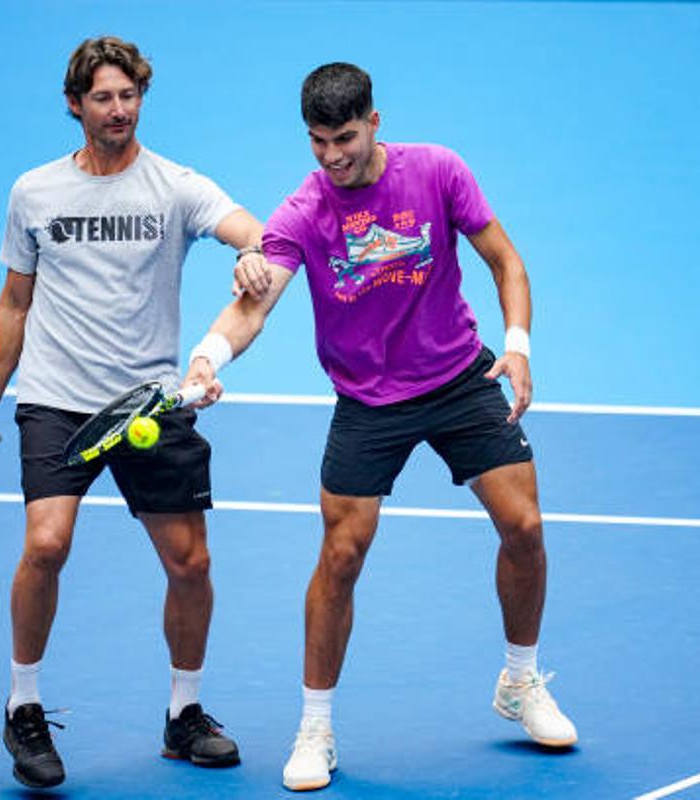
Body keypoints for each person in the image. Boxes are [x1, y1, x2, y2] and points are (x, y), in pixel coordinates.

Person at [182, 62, 577, 792]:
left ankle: (520, 682)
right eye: (317, 142)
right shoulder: (303, 211)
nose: (332, 156)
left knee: (524, 527)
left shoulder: (438, 171)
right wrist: (208, 357)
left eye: (344, 138)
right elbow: (254, 302)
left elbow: (505, 259)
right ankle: (315, 726)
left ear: (375, 122)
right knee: (342, 554)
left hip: (460, 377)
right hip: (367, 400)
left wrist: (517, 345)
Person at [0, 35, 263, 790]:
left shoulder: (175, 186)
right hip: (58, 401)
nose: (118, 109)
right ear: (75, 104)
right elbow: (14, 304)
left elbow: (252, 229)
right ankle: (23, 707)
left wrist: (251, 253)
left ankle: (183, 715)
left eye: (129, 95)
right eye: (103, 97)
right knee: (47, 544)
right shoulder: (34, 193)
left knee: (190, 563)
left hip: (150, 403)